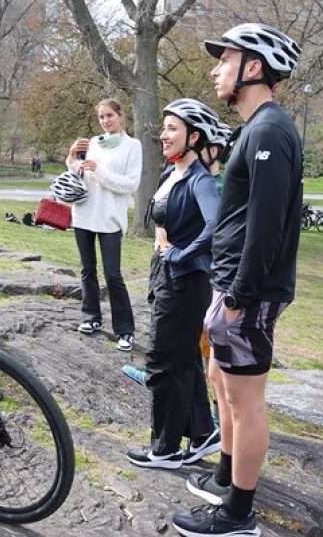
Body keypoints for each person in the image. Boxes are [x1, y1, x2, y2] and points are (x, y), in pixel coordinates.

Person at [173, 23, 303, 537]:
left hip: (247, 292)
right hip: (228, 284)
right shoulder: (254, 130)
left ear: (253, 68)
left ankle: (237, 514)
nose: (214, 70)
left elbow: (266, 226)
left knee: (246, 402)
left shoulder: (270, 131)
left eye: (224, 60)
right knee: (220, 384)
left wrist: (240, 296)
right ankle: (227, 475)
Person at [125, 99, 223, 471]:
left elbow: (216, 228)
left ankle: (164, 448)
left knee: (162, 361)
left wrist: (180, 256)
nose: (164, 135)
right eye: (164, 128)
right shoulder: (171, 174)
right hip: (166, 278)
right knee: (182, 359)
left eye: (173, 129)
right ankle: (201, 433)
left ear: (193, 137)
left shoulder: (200, 180)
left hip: (187, 283)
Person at [66, 98, 142, 351]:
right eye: (101, 117)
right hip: (84, 214)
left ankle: (125, 330)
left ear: (121, 116)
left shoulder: (133, 146)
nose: (106, 121)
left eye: (110, 115)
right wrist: (72, 157)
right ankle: (91, 317)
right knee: (87, 269)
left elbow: (130, 184)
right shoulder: (93, 143)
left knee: (113, 274)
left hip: (110, 218)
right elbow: (78, 172)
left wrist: (99, 172)